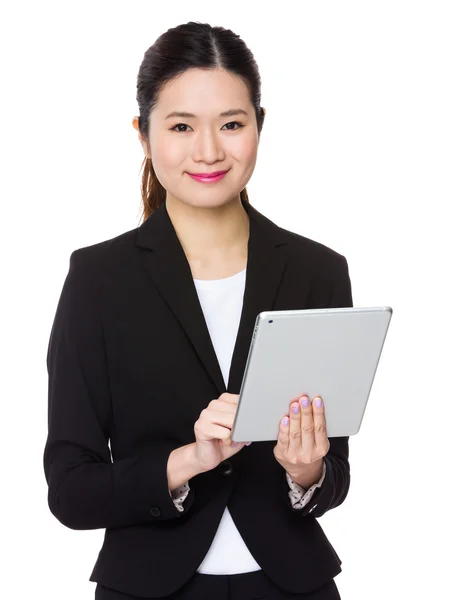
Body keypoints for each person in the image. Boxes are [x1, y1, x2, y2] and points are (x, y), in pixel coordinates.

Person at [43, 21, 353, 600]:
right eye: (181, 126)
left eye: (232, 124)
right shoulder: (98, 281)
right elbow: (70, 488)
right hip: (149, 585)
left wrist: (306, 471)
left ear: (260, 126)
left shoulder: (319, 271)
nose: (209, 151)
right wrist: (186, 461)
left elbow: (334, 474)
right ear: (143, 134)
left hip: (292, 586)